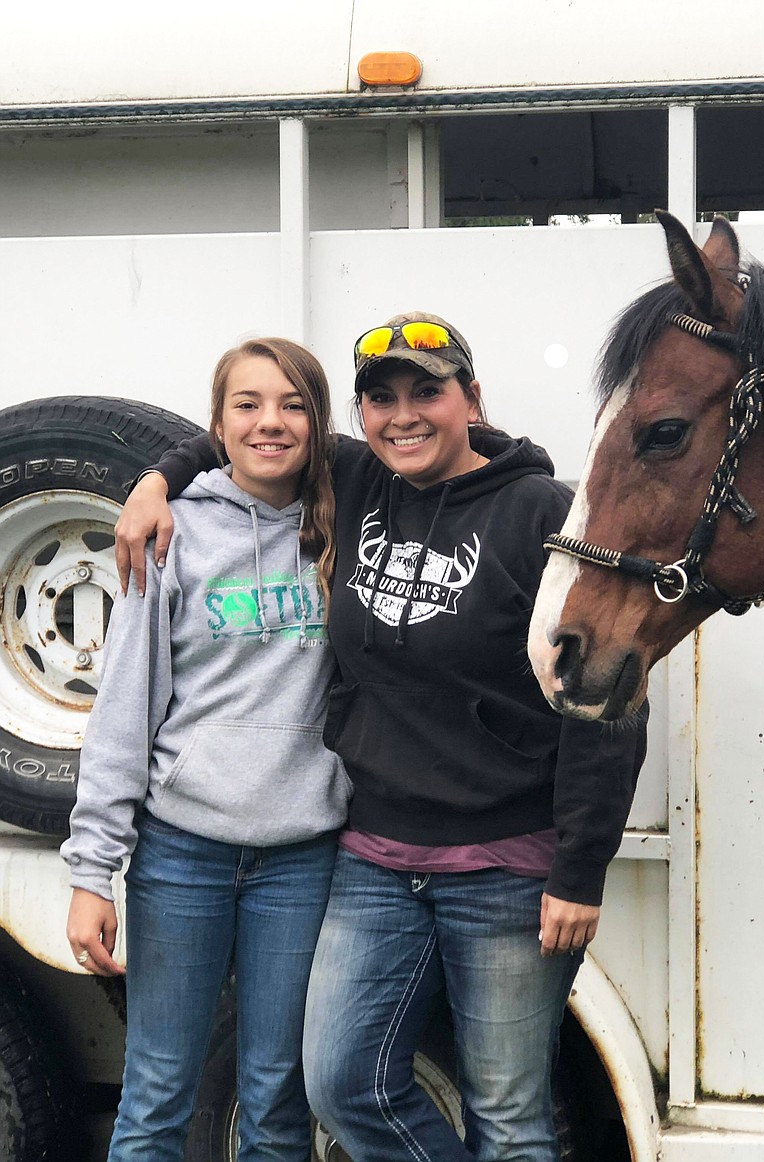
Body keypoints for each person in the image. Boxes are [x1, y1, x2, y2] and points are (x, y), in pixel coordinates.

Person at [115, 312, 648, 1162]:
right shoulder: (360, 479)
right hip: (372, 858)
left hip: (507, 869)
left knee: (510, 1121)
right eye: (381, 398)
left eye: (426, 392)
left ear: (471, 399)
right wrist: (155, 480)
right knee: (338, 1083)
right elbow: (251, 436)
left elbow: (607, 698)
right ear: (359, 417)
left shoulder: (545, 514)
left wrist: (580, 870)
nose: (403, 415)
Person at [64, 338, 351, 1161]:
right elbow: (125, 707)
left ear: (319, 423)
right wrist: (93, 871)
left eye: (293, 404)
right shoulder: (171, 533)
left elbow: (505, 456)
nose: (271, 423)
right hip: (182, 852)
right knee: (157, 1089)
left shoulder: (348, 523)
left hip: (301, 856)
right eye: (248, 405)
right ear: (217, 426)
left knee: (276, 1095)